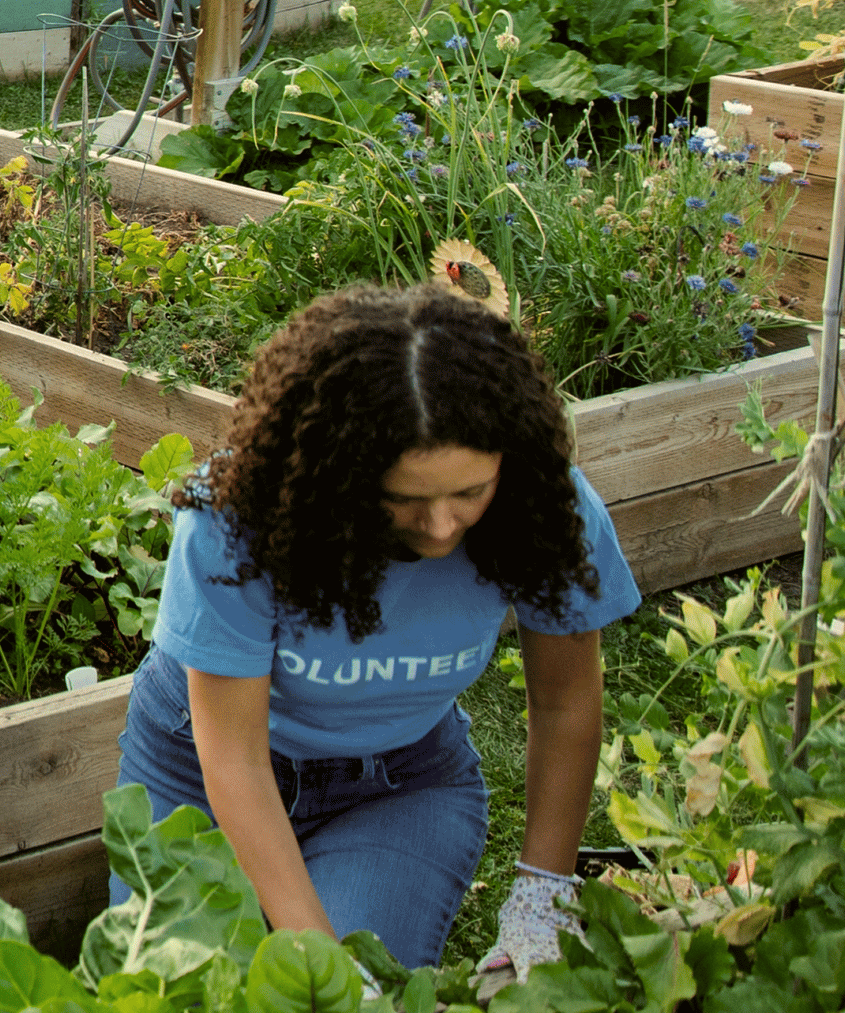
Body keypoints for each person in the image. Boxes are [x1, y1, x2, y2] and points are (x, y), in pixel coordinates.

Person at [116, 283, 637, 980]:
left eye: (470, 492)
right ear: (343, 474)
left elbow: (566, 702)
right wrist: (325, 970)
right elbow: (233, 759)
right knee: (179, 992)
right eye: (406, 500)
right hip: (197, 773)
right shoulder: (239, 522)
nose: (444, 525)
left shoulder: (549, 506)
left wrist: (543, 894)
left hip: (397, 785)